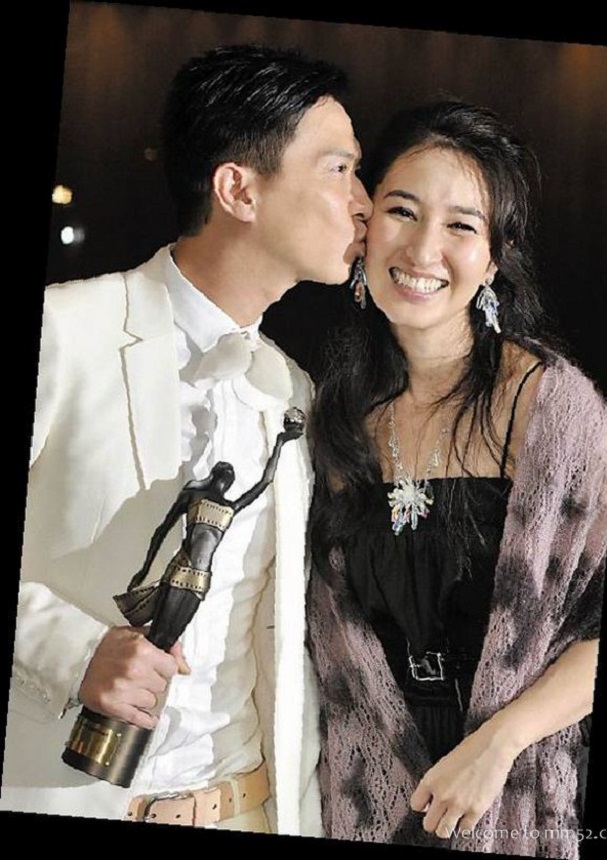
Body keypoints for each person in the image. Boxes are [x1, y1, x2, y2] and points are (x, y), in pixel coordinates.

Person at [1, 43, 371, 834]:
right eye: (339, 170)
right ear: (239, 189)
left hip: (249, 807)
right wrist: (70, 651)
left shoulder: (293, 392)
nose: (363, 202)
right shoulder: (65, 332)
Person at [307, 101, 607, 857]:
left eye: (461, 226)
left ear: (493, 259)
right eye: (402, 211)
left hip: (513, 799)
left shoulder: (550, 408)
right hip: (362, 799)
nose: (423, 249)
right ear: (364, 224)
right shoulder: (333, 413)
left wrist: (498, 743)